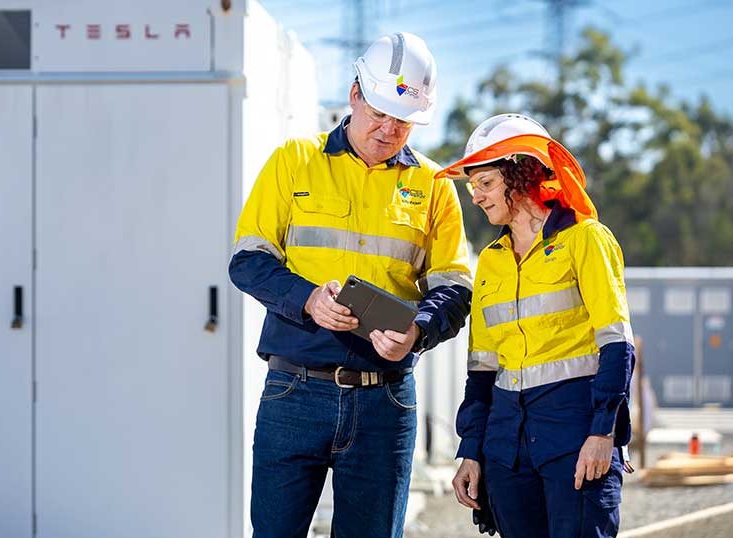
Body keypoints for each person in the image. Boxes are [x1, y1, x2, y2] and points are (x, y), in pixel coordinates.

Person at [229, 32, 472, 538]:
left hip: (385, 400)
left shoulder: (434, 187)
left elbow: (455, 288)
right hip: (294, 391)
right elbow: (247, 262)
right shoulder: (293, 160)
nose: (388, 129)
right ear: (355, 93)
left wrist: (420, 330)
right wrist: (308, 300)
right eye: (379, 112)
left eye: (403, 121)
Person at [444, 114, 634, 537]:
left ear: (522, 172)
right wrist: (472, 451)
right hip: (507, 446)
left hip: (574, 435)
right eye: (473, 186)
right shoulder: (490, 260)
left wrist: (604, 432)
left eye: (486, 183)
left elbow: (618, 346)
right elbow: (482, 371)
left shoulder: (585, 239)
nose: (475, 197)